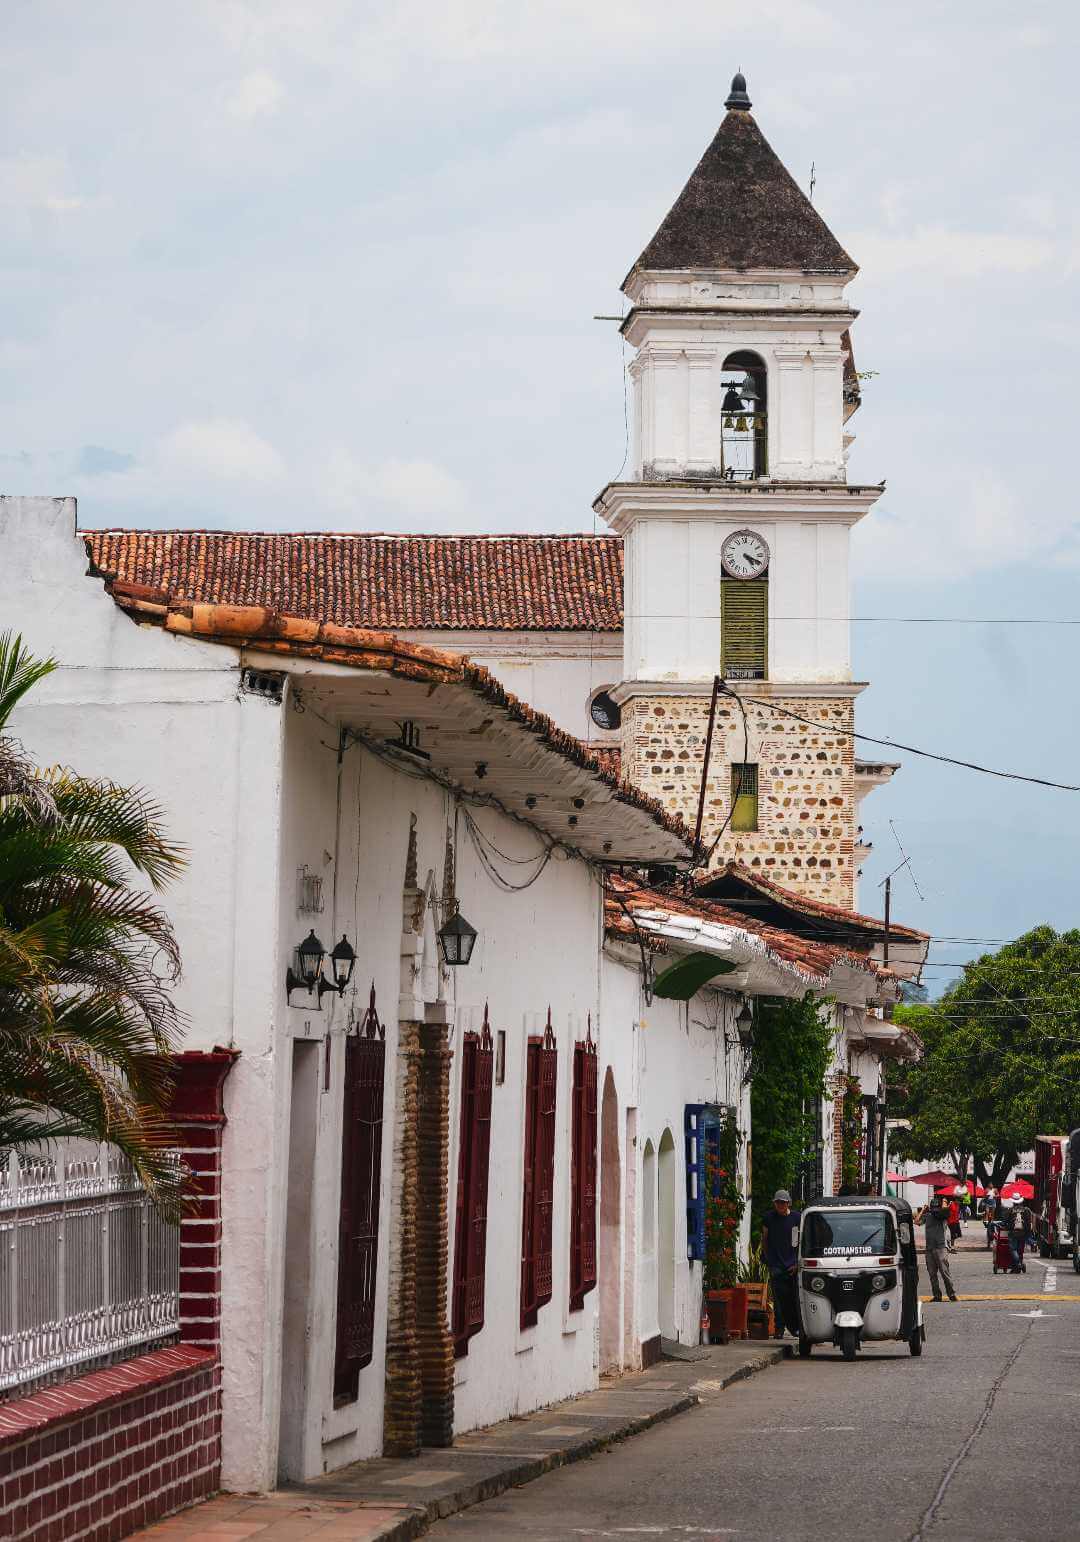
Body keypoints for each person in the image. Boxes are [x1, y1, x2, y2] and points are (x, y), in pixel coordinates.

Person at [760, 1188, 801, 1339]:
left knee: (794, 1297)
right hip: (776, 1264)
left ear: (788, 1203)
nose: (780, 1206)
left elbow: (801, 1241)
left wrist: (797, 1262)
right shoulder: (769, 1218)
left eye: (783, 1203)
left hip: (793, 1264)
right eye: (777, 1203)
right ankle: (779, 1328)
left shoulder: (797, 1218)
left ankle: (796, 1327)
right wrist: (768, 1258)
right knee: (778, 1299)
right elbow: (764, 1239)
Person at [915, 1195, 958, 1302]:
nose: (934, 1210)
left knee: (944, 1272)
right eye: (932, 1208)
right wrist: (923, 1210)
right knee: (932, 1274)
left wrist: (944, 1203)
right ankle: (937, 1295)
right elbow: (916, 1221)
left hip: (941, 1247)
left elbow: (946, 1211)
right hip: (929, 1248)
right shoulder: (928, 1215)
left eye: (936, 1208)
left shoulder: (943, 1216)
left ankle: (951, 1294)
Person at [1008, 1201, 1030, 1273]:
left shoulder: (1011, 1210)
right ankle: (1017, 1266)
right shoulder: (1025, 1210)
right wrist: (1028, 1233)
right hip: (1023, 1233)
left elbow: (1006, 1221)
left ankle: (1017, 1262)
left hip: (1013, 1233)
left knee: (1013, 1249)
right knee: (1020, 1250)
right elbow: (1028, 1222)